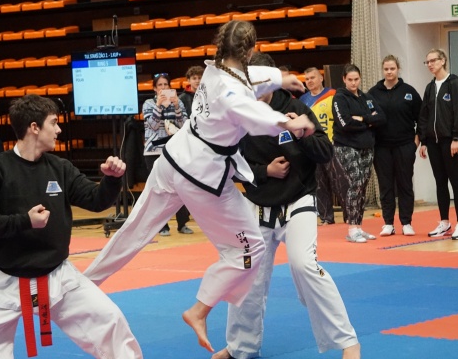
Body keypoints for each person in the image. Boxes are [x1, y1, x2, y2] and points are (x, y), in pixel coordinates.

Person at [84, 20, 313, 353]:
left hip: (172, 159)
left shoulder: (215, 69)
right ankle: (200, 309)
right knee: (251, 249)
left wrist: (280, 78)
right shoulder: (232, 90)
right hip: (201, 176)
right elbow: (251, 112)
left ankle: (82, 285)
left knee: (133, 230)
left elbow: (246, 79)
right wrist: (289, 122)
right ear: (250, 51)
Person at [0, 94, 142, 358]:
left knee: (111, 322)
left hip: (58, 275)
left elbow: (95, 200)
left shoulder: (60, 168)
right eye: (53, 123)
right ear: (34, 127)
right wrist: (24, 221)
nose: (58, 130)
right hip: (7, 278)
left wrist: (112, 180)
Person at [212, 52, 360, 359]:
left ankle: (348, 341)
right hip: (259, 205)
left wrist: (302, 133)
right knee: (246, 275)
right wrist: (264, 171)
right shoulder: (239, 112)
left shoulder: (296, 107)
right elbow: (229, 163)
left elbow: (325, 152)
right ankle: (241, 347)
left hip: (298, 200)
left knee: (304, 266)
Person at [332, 64, 386, 243]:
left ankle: (359, 226)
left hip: (367, 146)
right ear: (344, 79)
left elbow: (381, 118)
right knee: (355, 182)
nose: (353, 83)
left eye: (356, 79)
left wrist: (363, 119)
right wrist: (369, 123)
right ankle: (352, 228)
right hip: (346, 146)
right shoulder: (339, 98)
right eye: (350, 80)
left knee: (362, 185)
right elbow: (345, 123)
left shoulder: (366, 97)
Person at [369, 55, 422, 237]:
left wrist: (416, 143)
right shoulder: (373, 93)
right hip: (381, 147)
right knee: (385, 186)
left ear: (398, 69)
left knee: (405, 184)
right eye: (386, 69)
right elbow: (367, 119)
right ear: (382, 70)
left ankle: (406, 222)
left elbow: (421, 118)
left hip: (405, 145)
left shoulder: (409, 92)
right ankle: (388, 223)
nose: (389, 72)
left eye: (392, 68)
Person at [418, 48, 458, 240]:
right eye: (427, 62)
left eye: (433, 60)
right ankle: (444, 222)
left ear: (443, 61)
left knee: (456, 181)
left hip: (450, 141)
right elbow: (424, 115)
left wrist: (456, 138)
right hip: (433, 142)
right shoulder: (430, 87)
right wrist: (423, 141)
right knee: (440, 182)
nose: (430, 64)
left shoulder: (455, 83)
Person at [143, 72, 192, 236]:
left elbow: (184, 125)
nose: (163, 88)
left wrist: (177, 106)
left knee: (179, 186)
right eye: (160, 85)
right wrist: (159, 105)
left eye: (166, 85)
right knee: (158, 189)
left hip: (174, 149)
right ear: (154, 88)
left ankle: (182, 223)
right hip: (154, 151)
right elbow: (153, 125)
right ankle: (162, 226)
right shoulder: (148, 103)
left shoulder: (177, 102)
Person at [298, 67, 337, 225]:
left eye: (312, 78)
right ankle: (326, 217)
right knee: (320, 184)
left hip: (333, 144)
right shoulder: (303, 100)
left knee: (338, 182)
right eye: (307, 79)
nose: (309, 81)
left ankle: (350, 217)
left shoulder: (333, 95)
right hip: (314, 147)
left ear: (321, 78)